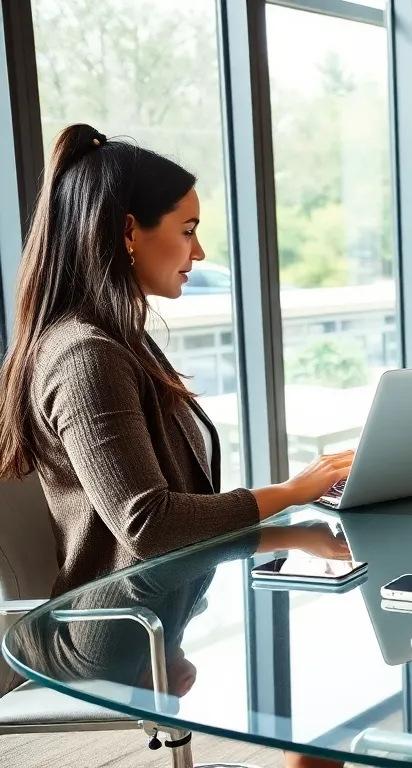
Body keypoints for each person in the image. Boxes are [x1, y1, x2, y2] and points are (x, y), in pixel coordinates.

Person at [0, 124, 352, 768]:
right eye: (187, 229)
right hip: (109, 630)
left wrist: (295, 532)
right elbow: (150, 525)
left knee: (321, 691)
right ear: (129, 232)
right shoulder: (85, 355)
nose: (200, 249)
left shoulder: (119, 337)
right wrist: (294, 493)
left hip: (157, 605)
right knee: (320, 712)